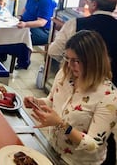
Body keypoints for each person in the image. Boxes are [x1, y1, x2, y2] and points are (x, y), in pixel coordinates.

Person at [24, 30, 117, 165]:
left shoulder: (109, 96)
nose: (70, 65)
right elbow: (51, 101)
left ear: (93, 61)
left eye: (76, 61)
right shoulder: (65, 74)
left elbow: (93, 145)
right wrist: (36, 102)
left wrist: (61, 125)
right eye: (67, 58)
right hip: (52, 149)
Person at [48, 0, 117, 83]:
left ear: (94, 4)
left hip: (79, 83)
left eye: (88, 0)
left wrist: (70, 60)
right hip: (111, 86)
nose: (87, 3)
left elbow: (54, 51)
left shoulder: (75, 23)